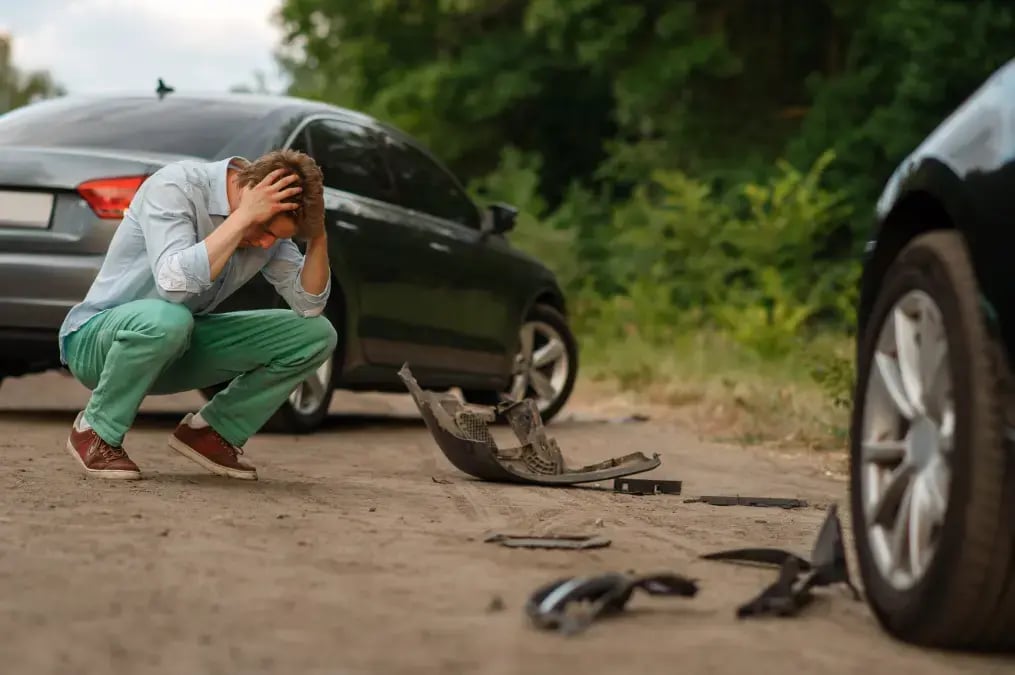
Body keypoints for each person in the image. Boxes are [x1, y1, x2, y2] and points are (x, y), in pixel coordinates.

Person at [58, 149, 337, 482]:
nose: (265, 244)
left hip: (173, 345)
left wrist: (318, 235)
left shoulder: (268, 229)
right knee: (170, 319)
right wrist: (242, 219)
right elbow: (174, 286)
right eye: (264, 229)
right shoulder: (176, 186)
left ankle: (212, 433)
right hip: (97, 343)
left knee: (317, 335)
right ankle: (96, 431)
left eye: (276, 238)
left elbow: (309, 305)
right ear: (249, 190)